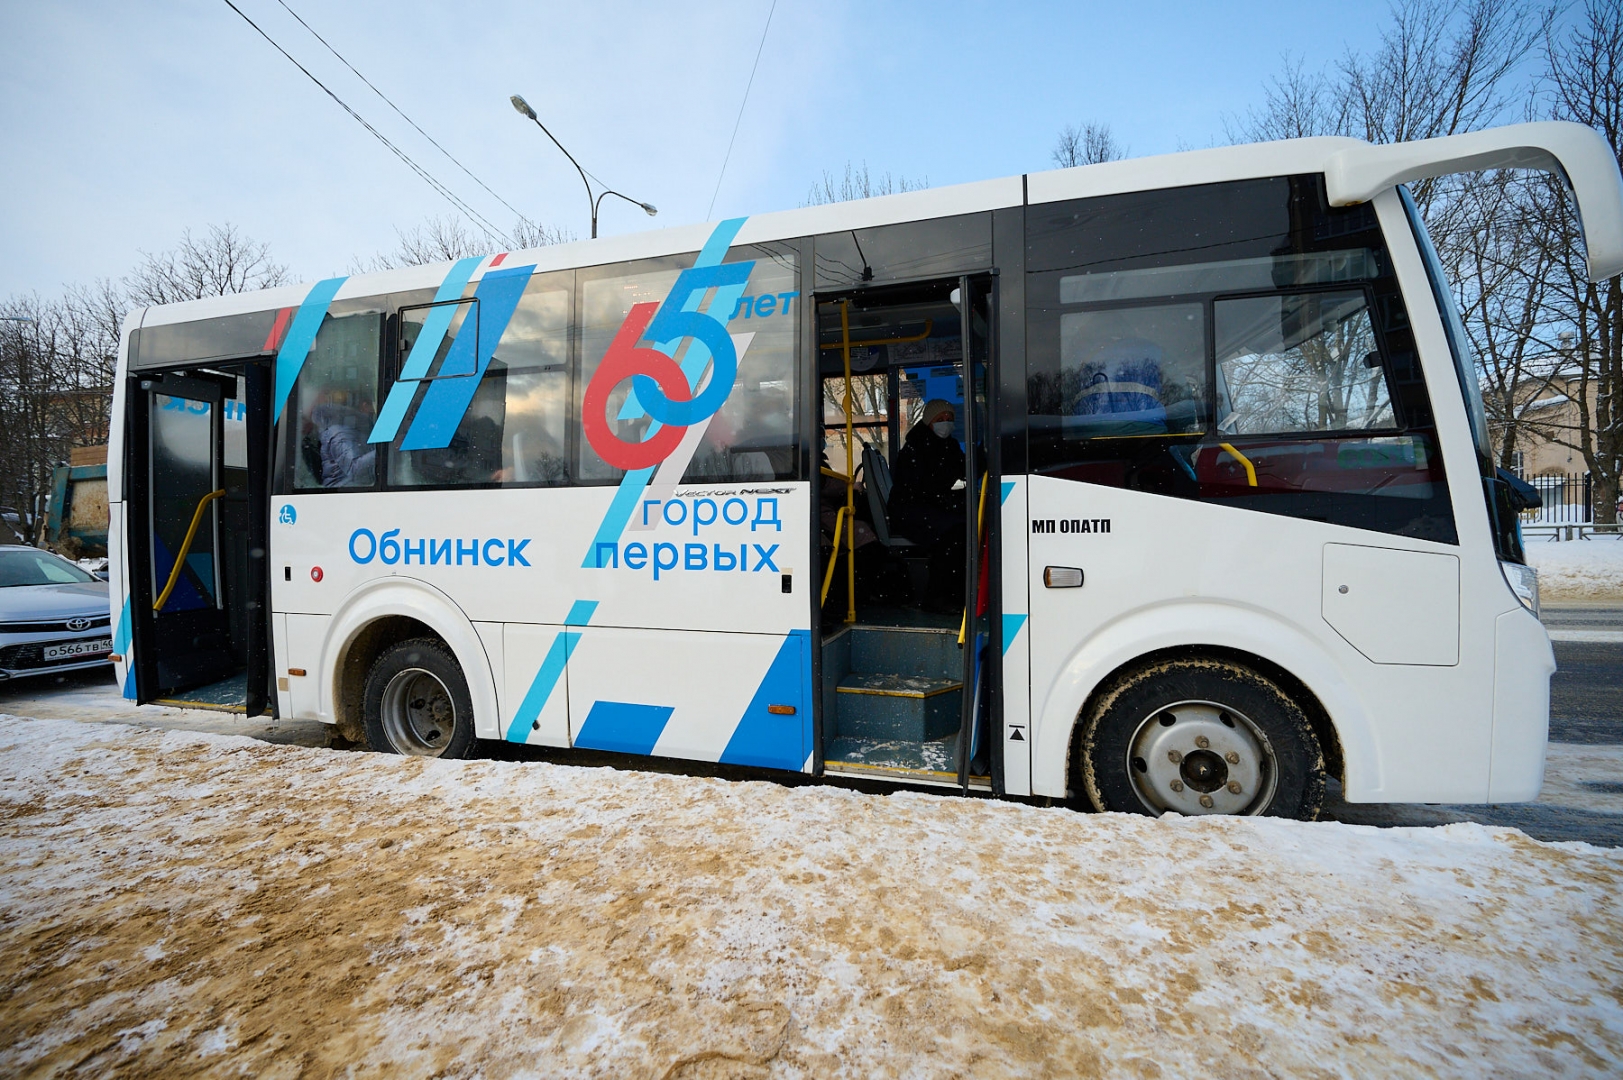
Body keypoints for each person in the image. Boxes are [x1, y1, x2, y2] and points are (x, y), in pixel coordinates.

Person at [888, 399, 966, 609]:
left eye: (949, 419)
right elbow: (921, 487)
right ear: (929, 422)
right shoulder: (915, 448)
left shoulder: (950, 446)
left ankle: (956, 593)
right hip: (909, 511)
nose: (946, 423)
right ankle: (938, 598)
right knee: (953, 533)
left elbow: (963, 470)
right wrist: (950, 498)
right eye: (940, 419)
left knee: (961, 527)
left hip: (930, 508)